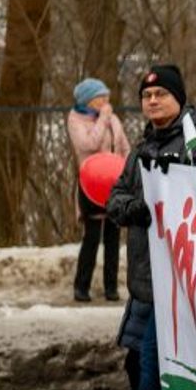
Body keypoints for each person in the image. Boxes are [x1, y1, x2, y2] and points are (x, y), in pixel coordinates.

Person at [77, 64, 196, 390]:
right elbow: (117, 195)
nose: (152, 101)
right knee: (142, 360)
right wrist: (135, 209)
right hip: (149, 276)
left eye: (161, 95)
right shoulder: (142, 147)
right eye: (146, 96)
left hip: (184, 278)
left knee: (158, 364)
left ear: (179, 98)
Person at [66, 77, 130, 303]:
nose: (105, 102)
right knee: (92, 237)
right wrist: (103, 119)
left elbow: (123, 146)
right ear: (88, 100)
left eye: (106, 97)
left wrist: (126, 169)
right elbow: (88, 144)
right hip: (91, 183)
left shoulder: (112, 118)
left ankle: (111, 288)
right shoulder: (76, 119)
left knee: (113, 237)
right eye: (100, 98)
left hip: (113, 182)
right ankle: (81, 287)